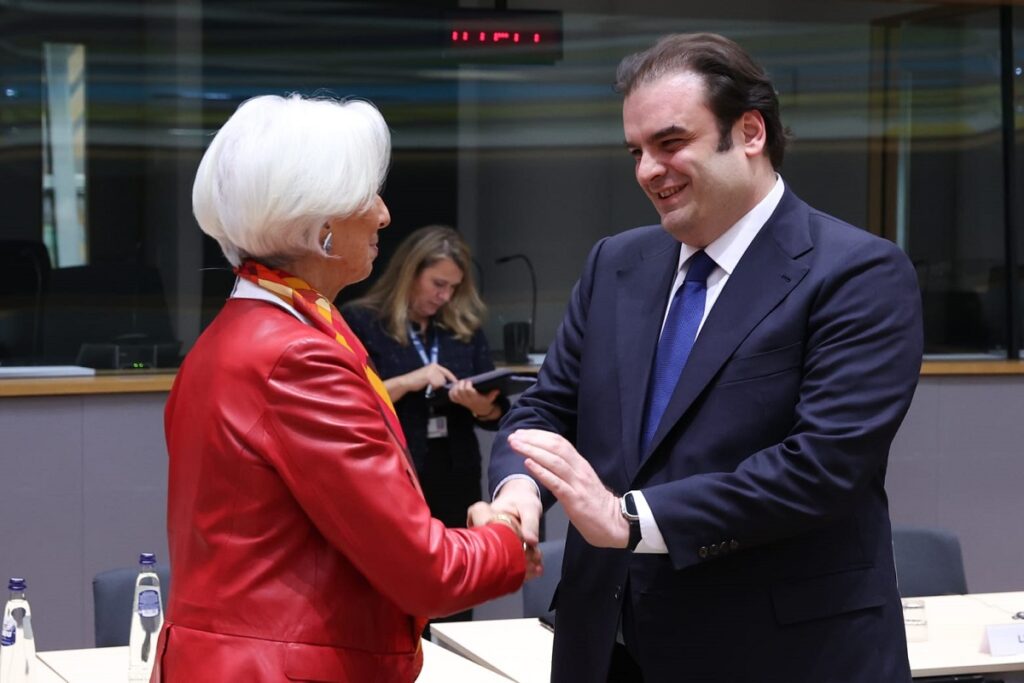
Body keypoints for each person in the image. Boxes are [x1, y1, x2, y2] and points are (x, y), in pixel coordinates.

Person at [488, 32, 923, 682]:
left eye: (670, 143)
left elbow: (820, 467)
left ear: (749, 132)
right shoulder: (616, 263)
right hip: (604, 648)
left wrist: (628, 519)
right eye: (636, 151)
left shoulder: (858, 273)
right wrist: (518, 490)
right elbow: (546, 409)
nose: (647, 170)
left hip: (777, 655)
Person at [154, 94, 530, 683]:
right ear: (322, 230)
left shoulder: (235, 335)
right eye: (368, 195)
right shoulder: (296, 356)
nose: (384, 215)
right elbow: (425, 572)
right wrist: (504, 536)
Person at [343, 226, 507, 623]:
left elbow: (495, 414)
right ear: (410, 273)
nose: (444, 296)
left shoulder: (461, 330)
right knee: (395, 594)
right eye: (437, 284)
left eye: (453, 287)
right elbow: (351, 401)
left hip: (455, 474)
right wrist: (409, 381)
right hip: (394, 476)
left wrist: (479, 405)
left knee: (455, 592)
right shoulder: (362, 321)